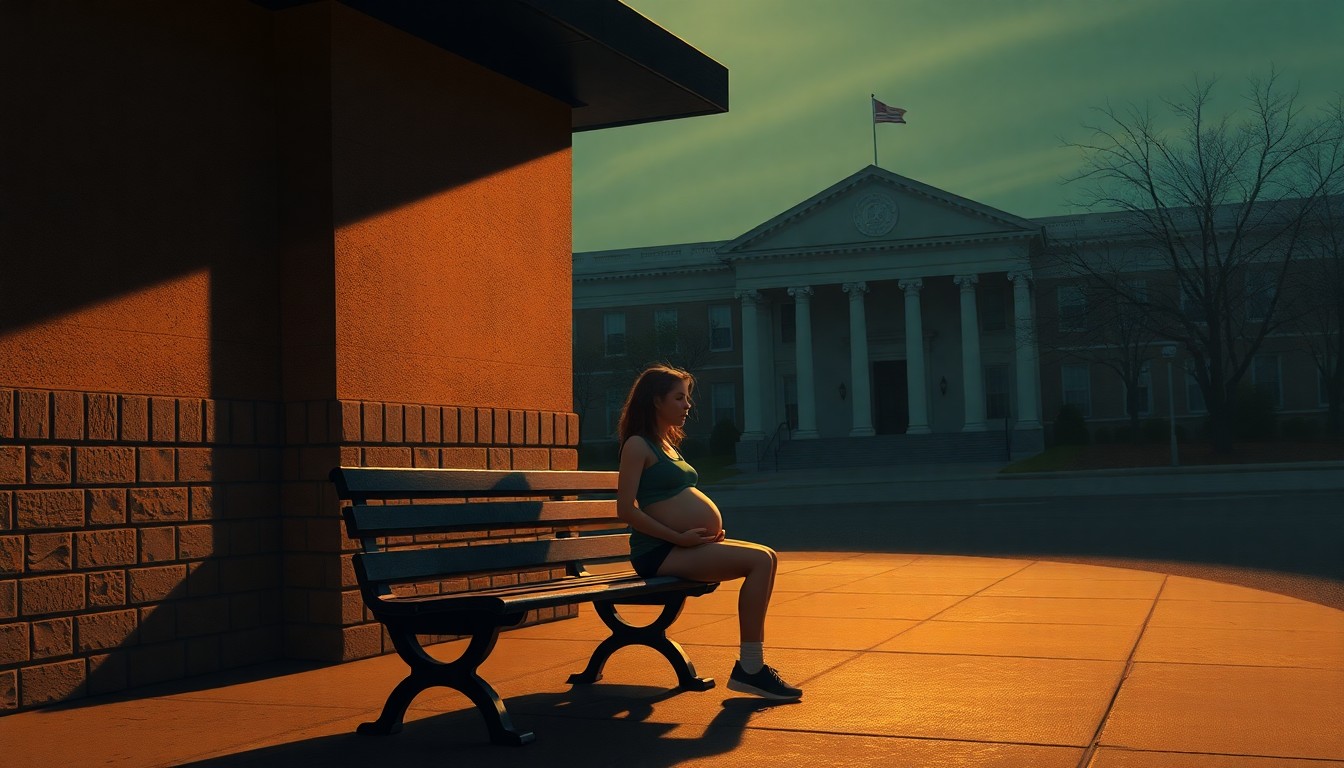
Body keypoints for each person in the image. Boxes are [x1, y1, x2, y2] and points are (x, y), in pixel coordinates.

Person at [615, 363, 802, 701]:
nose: (688, 406)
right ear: (657, 401)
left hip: (681, 546)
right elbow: (626, 510)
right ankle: (750, 668)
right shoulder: (638, 446)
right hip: (657, 553)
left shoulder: (667, 444)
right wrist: (680, 537)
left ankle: (751, 667)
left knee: (769, 556)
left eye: (687, 398)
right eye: (680, 398)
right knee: (759, 561)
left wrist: (703, 530)